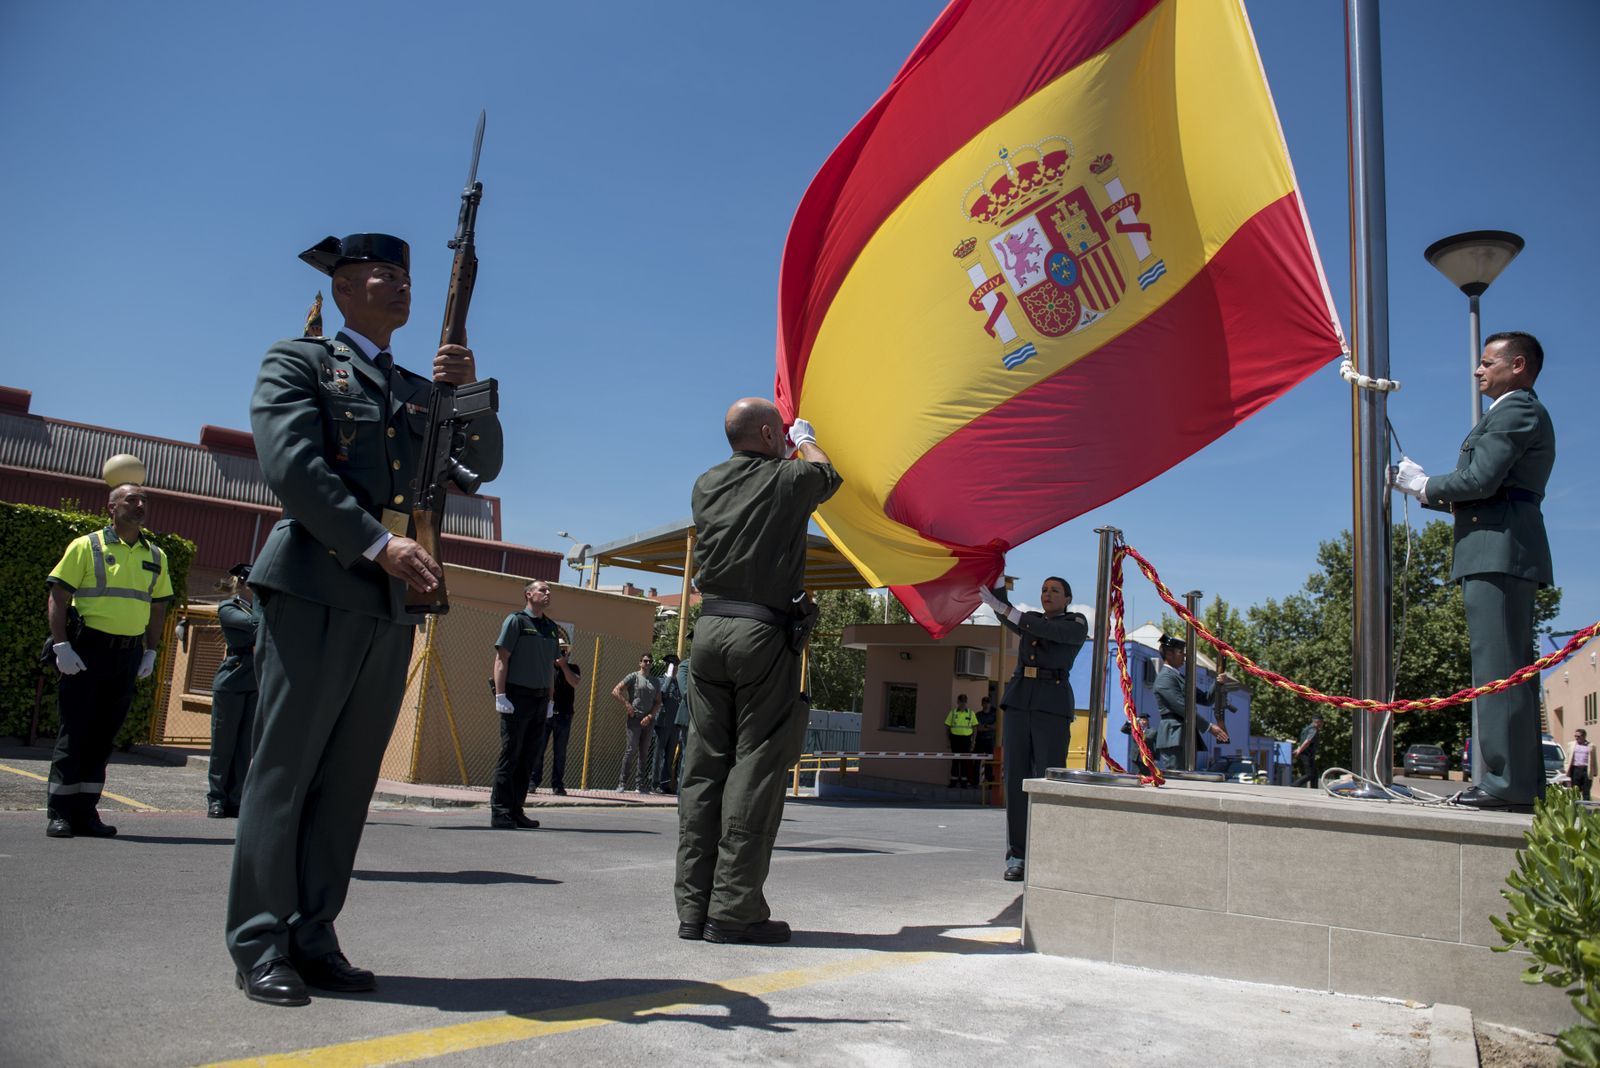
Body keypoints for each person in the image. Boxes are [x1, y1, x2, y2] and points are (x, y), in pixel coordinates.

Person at [225, 233, 503, 1007]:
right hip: (321, 583)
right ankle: (259, 941)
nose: (401, 285)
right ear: (344, 286)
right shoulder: (301, 361)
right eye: (384, 272)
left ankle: (313, 935)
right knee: (284, 774)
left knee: (347, 783)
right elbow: (292, 464)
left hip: (391, 601)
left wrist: (470, 390)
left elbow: (483, 465)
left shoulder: (417, 385)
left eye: (408, 276)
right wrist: (378, 544)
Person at [676, 399, 840, 945]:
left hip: (709, 632)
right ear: (770, 433)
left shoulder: (705, 483)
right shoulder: (787, 476)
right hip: (761, 634)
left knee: (703, 769)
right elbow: (825, 474)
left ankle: (692, 910)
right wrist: (806, 437)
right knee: (758, 765)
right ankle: (735, 911)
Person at [1392, 331, 1554, 813]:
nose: (1478, 371)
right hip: (1497, 546)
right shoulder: (1511, 411)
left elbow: (1482, 481)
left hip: (1499, 551)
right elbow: (1486, 492)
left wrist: (1423, 484)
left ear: (1518, 365)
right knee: (1506, 668)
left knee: (1500, 669)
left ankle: (1508, 784)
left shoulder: (1515, 409)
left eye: (1488, 363)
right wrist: (1426, 490)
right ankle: (1517, 783)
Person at [44, 477, 173, 839]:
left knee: (103, 737)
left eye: (144, 500)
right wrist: (61, 645)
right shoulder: (87, 546)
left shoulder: (156, 555)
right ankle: (60, 813)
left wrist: (150, 650)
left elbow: (158, 606)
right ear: (112, 508)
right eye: (132, 500)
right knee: (75, 733)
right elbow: (58, 596)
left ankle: (86, 813)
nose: (140, 505)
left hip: (128, 654)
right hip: (87, 651)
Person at [978, 577, 1088, 883]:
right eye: (1043, 590)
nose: (1047, 594)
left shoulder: (1076, 623)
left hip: (1050, 706)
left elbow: (1043, 629)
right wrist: (998, 580)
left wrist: (1007, 610)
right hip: (1019, 702)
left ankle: (1049, 852)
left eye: (1054, 591)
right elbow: (1004, 612)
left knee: (1048, 778)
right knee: (1015, 779)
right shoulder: (1031, 620)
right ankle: (1018, 855)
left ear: (1067, 598)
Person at [490, 580, 567, 829]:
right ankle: (500, 812)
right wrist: (500, 696)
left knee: (529, 758)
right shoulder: (516, 621)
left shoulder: (551, 627)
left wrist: (550, 700)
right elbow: (502, 659)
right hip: (517, 697)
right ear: (528, 594)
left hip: (541, 698)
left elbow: (549, 668)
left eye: (549, 590)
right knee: (510, 755)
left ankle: (516, 810)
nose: (548, 593)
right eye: (542, 590)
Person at [208, 564, 260, 819]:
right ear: (240, 584)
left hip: (255, 681)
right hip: (232, 680)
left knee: (243, 748)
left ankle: (235, 799)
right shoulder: (229, 607)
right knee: (224, 745)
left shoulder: (261, 607)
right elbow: (254, 625)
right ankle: (216, 799)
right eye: (251, 582)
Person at [1150, 634, 1230, 773]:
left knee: (1186, 777)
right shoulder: (1165, 679)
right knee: (1176, 778)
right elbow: (1183, 708)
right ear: (1169, 654)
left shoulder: (1178, 677)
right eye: (1181, 652)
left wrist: (1217, 682)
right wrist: (1209, 727)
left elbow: (1205, 699)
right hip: (1174, 735)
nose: (1184, 656)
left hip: (1185, 733)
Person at [533, 639, 580, 797]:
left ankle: (557, 785)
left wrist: (564, 665)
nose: (563, 653)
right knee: (538, 750)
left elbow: (575, 682)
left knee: (560, 752)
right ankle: (533, 781)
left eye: (565, 651)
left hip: (564, 716)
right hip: (546, 715)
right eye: (560, 650)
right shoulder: (546, 668)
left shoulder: (573, 668)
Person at [613, 654, 661, 792]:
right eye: (645, 661)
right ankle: (622, 783)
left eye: (650, 661)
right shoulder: (633, 676)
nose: (648, 663)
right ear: (640, 663)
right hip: (635, 719)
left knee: (644, 752)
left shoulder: (655, 681)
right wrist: (627, 705)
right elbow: (616, 691)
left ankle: (640, 784)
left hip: (648, 721)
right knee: (631, 749)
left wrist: (651, 715)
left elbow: (658, 702)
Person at [652, 654, 684, 793]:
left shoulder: (677, 683)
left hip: (674, 725)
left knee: (670, 755)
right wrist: (669, 678)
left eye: (677, 666)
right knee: (659, 754)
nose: (676, 668)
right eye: (673, 666)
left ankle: (665, 784)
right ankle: (655, 783)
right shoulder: (660, 681)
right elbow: (663, 694)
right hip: (663, 723)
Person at [944, 694, 978, 787]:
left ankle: (963, 782)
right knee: (955, 760)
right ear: (958, 702)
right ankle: (953, 781)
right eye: (961, 701)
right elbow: (947, 727)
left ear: (966, 702)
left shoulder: (971, 713)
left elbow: (975, 728)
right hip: (955, 739)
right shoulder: (953, 713)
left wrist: (973, 742)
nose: (963, 703)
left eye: (964, 701)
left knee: (964, 761)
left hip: (966, 740)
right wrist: (948, 741)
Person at [1119, 712, 1155, 777]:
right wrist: (1129, 722)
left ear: (1147, 721)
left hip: (1146, 756)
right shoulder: (1135, 730)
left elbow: (1153, 743)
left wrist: (1156, 758)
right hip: (1136, 756)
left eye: (1145, 720)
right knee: (1136, 775)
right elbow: (1123, 730)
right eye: (1141, 720)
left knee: (1146, 775)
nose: (1143, 722)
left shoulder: (1152, 731)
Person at [1291, 716, 1322, 788]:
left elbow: (1302, 740)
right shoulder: (1313, 729)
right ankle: (1294, 785)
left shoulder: (1305, 729)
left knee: (1315, 773)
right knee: (1309, 774)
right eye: (1321, 722)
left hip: (1306, 753)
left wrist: (1299, 748)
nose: (1321, 724)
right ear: (1318, 722)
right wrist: (1299, 750)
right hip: (1307, 753)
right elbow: (1307, 741)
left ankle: (1314, 789)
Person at [974, 694, 997, 784]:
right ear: (982, 704)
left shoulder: (994, 715)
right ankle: (975, 782)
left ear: (990, 704)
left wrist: (985, 725)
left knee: (990, 762)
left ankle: (989, 781)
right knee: (977, 762)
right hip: (980, 740)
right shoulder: (978, 714)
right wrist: (989, 726)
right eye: (985, 703)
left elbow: (996, 727)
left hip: (990, 740)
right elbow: (978, 727)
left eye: (988, 703)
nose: (986, 705)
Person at [1567, 729, 1592, 801]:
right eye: (1575, 736)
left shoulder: (1591, 746)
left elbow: (1594, 760)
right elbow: (1567, 758)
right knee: (1575, 789)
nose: (1576, 738)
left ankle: (1586, 808)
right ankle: (1575, 806)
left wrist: (1595, 772)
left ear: (1584, 736)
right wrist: (1566, 769)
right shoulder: (1571, 745)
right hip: (1575, 769)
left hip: (1586, 769)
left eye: (1578, 736)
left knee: (1586, 790)